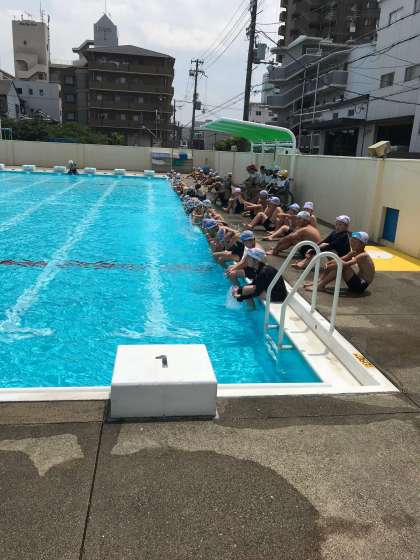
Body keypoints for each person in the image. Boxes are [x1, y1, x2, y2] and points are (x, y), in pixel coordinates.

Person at [304, 231, 375, 294]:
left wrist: (332, 264)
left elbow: (346, 264)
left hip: (360, 285)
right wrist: (330, 262)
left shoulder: (363, 255)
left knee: (340, 266)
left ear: (362, 244)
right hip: (356, 281)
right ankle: (318, 281)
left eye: (355, 242)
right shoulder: (354, 252)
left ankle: (320, 286)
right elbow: (341, 258)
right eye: (352, 241)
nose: (352, 243)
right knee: (337, 263)